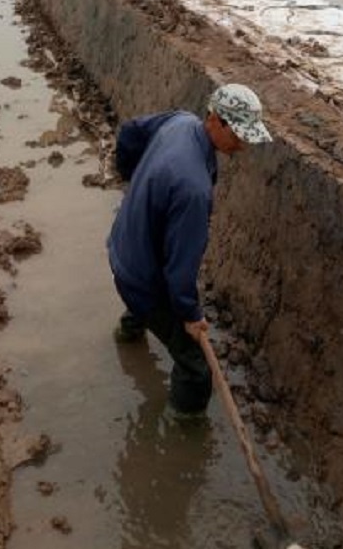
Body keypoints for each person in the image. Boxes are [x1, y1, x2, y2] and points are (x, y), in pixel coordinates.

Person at [107, 84, 272, 420]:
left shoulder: (180, 122)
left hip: (124, 247)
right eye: (239, 135)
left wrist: (133, 179)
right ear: (215, 119)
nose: (243, 145)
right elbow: (180, 273)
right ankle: (181, 429)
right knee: (196, 369)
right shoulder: (193, 188)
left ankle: (128, 332)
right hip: (141, 275)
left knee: (145, 294)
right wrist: (191, 315)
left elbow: (130, 132)